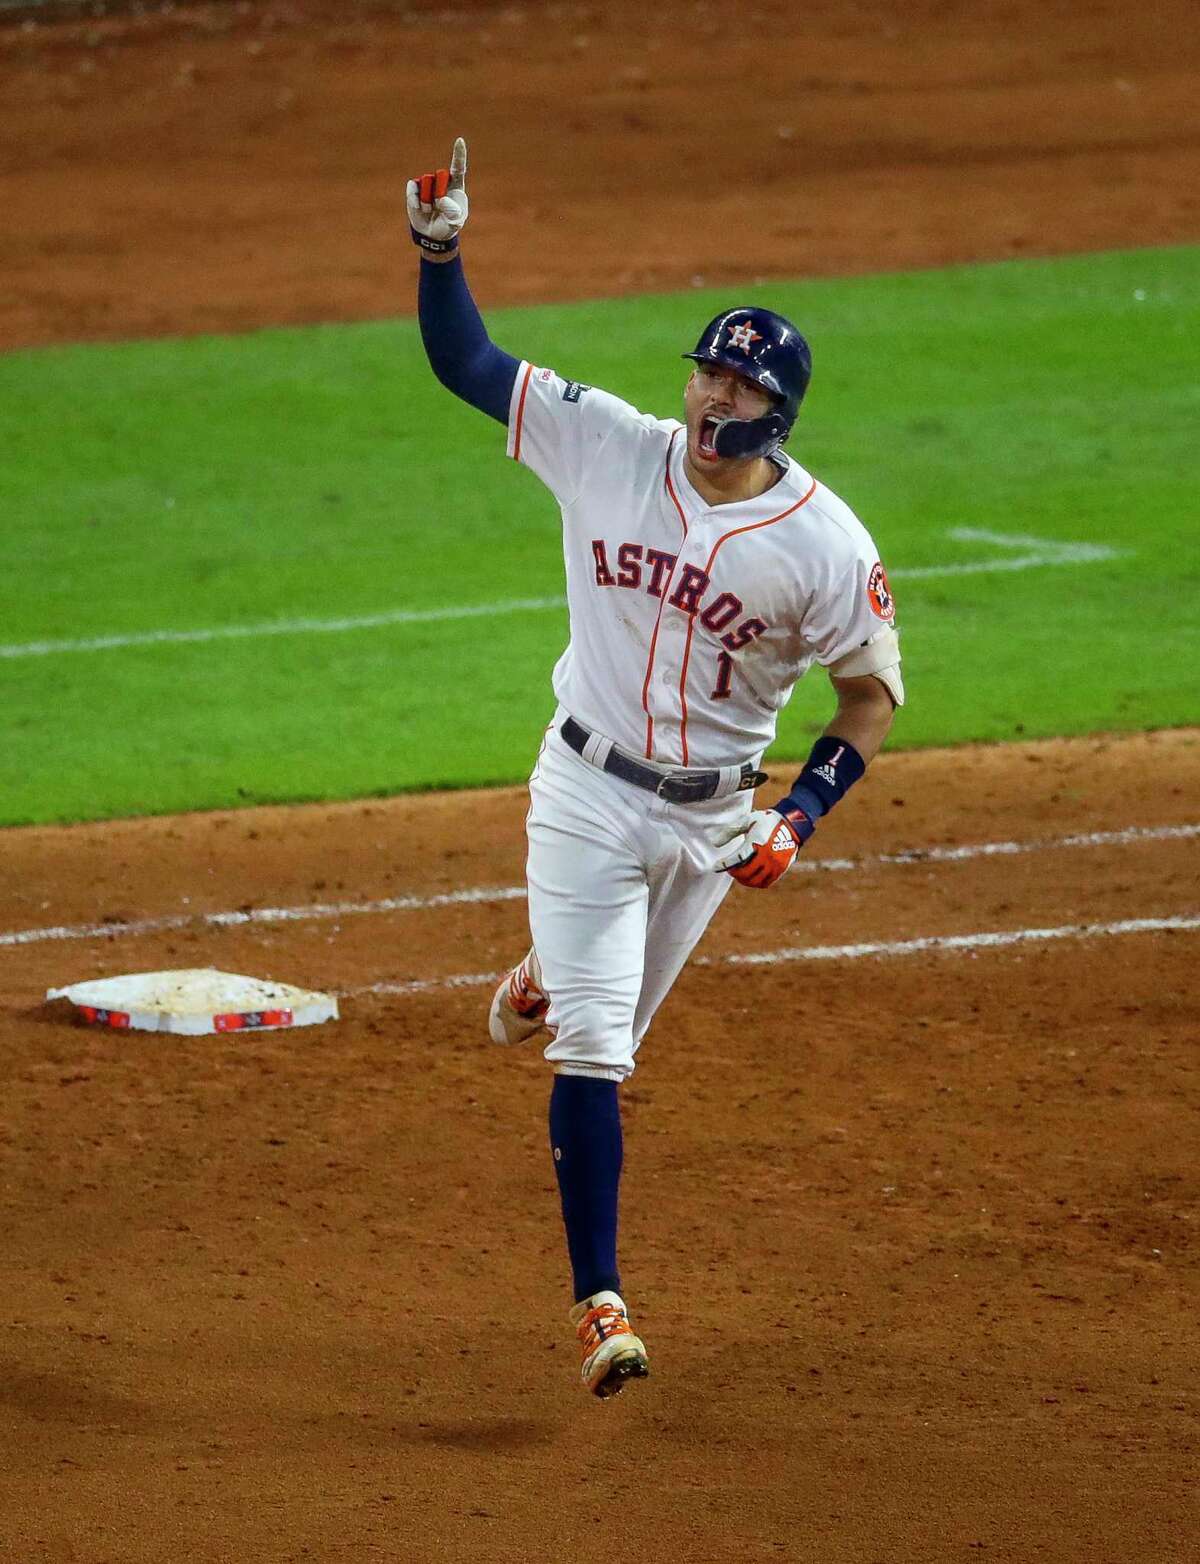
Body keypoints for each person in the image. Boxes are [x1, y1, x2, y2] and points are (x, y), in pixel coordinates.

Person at [408, 139, 904, 1399]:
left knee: (607, 1027)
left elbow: (871, 696)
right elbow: (467, 363)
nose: (702, 400)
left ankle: (546, 965)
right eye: (701, 372)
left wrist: (800, 815)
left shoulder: (828, 549)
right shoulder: (610, 444)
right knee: (593, 1055)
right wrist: (441, 249)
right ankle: (599, 1304)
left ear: (773, 416)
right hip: (582, 787)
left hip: (712, 828)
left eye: (731, 389)